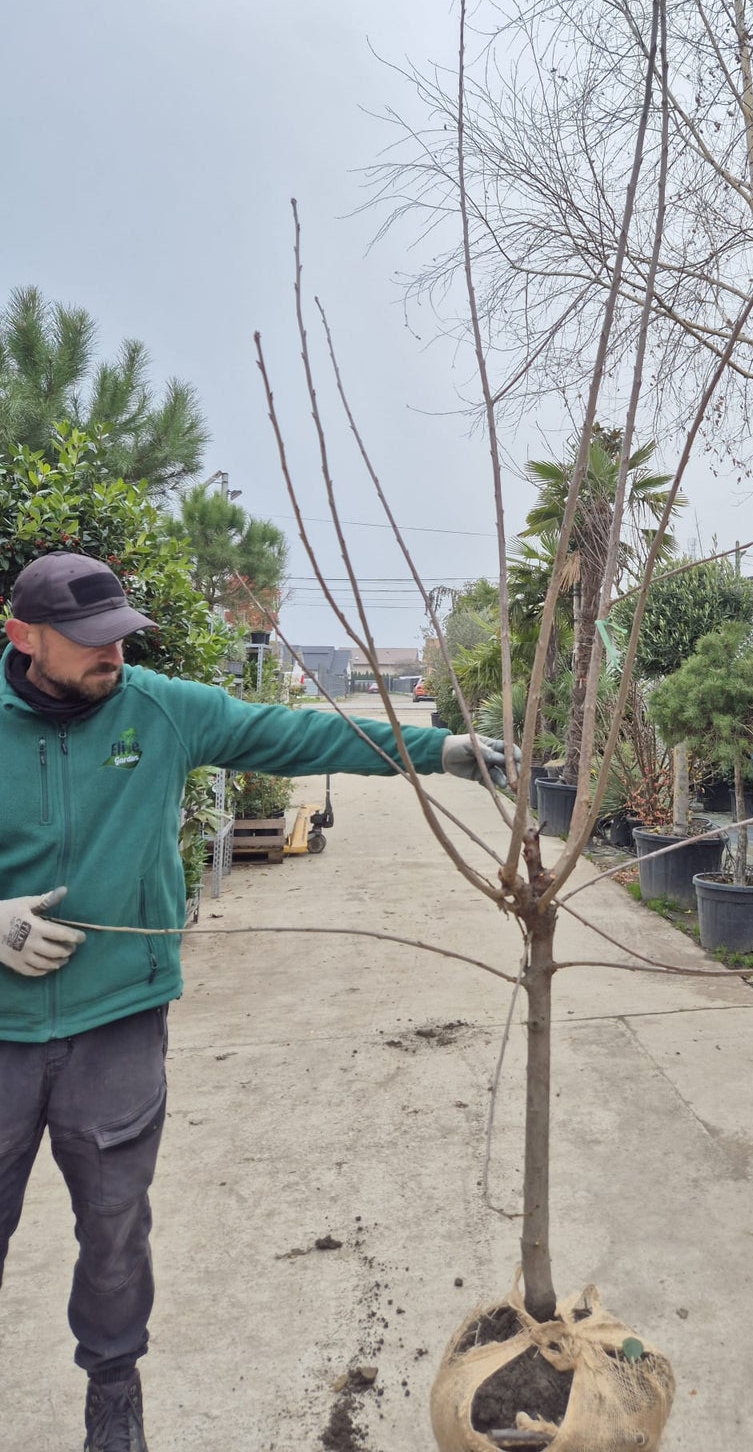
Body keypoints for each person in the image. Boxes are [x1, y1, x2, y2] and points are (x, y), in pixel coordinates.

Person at [0, 552, 512, 1452]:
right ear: (21, 637)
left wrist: (444, 750)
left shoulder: (158, 709)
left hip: (117, 1021)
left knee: (115, 1228)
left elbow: (294, 736)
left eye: (120, 637)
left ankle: (113, 1398)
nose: (111, 655)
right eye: (88, 643)